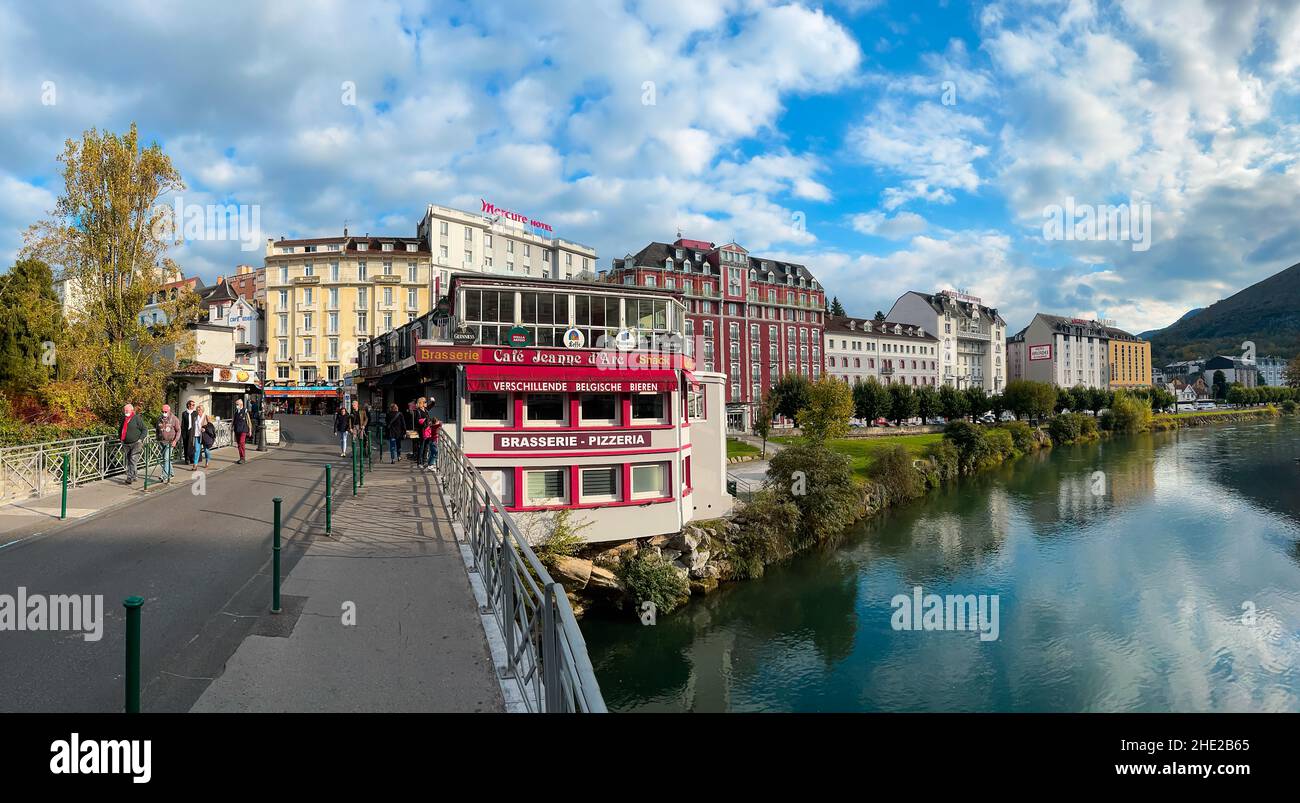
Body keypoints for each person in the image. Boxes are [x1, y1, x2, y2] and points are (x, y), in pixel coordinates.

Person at [119, 403, 147, 485]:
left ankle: (129, 477)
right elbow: (120, 429)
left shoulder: (136, 418)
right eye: (124, 410)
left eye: (126, 410)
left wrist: (140, 439)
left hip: (136, 443)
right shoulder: (124, 419)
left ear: (131, 410)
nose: (125, 411)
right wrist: (120, 438)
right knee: (130, 460)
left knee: (132, 459)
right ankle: (134, 476)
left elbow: (144, 429)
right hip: (126, 443)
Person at [156, 403, 181, 482]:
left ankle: (164, 475)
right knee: (165, 459)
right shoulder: (159, 419)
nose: (164, 413)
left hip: (170, 442)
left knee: (166, 459)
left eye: (165, 411)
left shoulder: (174, 419)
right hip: (161, 442)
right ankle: (171, 473)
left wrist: (175, 441)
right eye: (162, 411)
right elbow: (157, 430)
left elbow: (179, 430)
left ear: (169, 411)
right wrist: (157, 439)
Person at [192, 405, 213, 469]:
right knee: (197, 450)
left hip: (204, 436)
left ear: (202, 410)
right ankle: (195, 465)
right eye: (197, 410)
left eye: (199, 410)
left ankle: (207, 461)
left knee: (206, 450)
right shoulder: (195, 417)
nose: (198, 411)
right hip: (197, 435)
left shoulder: (206, 417)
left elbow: (211, 426)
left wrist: (205, 429)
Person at [233, 398, 253, 464]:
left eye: (237, 404)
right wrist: (231, 427)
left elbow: (249, 421)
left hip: (243, 430)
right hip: (237, 430)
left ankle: (242, 458)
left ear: (241, 404)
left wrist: (250, 430)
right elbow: (234, 421)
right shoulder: (236, 412)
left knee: (242, 443)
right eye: (236, 404)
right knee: (239, 444)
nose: (236, 405)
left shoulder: (245, 411)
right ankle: (241, 457)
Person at [180, 399, 196, 465]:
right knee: (186, 445)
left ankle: (192, 458)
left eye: (194, 405)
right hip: (186, 431)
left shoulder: (195, 413)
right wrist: (182, 433)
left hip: (193, 431)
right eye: (192, 405)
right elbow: (183, 423)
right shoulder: (184, 413)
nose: (193, 406)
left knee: (191, 445)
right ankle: (187, 459)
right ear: (188, 405)